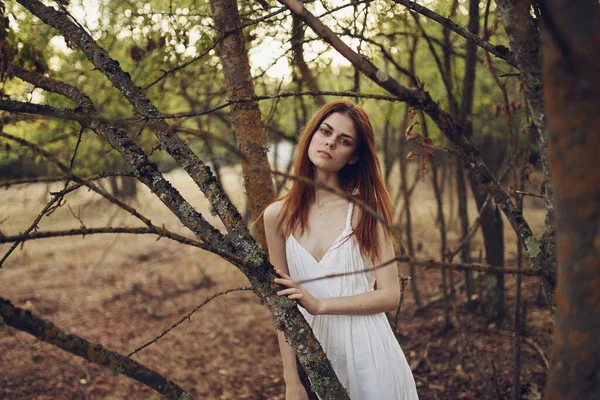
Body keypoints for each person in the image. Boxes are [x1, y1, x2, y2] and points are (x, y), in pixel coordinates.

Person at [262, 100, 419, 400]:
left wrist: (320, 305)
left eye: (344, 141)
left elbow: (389, 295)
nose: (330, 142)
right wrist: (291, 381)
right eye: (325, 131)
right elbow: (279, 304)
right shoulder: (277, 216)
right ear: (312, 134)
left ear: (353, 157)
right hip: (317, 360)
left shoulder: (365, 212)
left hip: (371, 358)